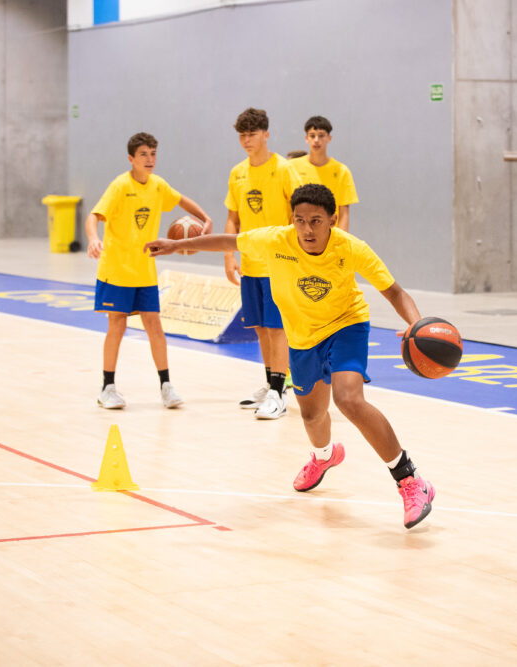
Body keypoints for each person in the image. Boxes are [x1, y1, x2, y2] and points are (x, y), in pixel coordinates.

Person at [145, 183, 436, 529]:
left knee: (348, 399)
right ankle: (324, 457)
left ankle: (410, 480)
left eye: (315, 220)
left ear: (332, 221)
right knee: (312, 417)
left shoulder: (351, 248)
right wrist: (178, 244)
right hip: (301, 336)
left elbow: (394, 291)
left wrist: (416, 325)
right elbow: (229, 241)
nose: (307, 229)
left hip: (346, 325)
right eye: (299, 220)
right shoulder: (275, 239)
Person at [86, 131, 213, 410]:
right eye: (144, 154)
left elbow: (181, 200)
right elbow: (94, 215)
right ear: (131, 158)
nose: (150, 159)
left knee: (154, 325)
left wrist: (205, 217)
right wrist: (94, 238)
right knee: (116, 326)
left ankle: (166, 386)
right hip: (116, 270)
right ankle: (107, 386)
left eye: (153, 154)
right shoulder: (120, 186)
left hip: (144, 271)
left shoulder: (157, 185)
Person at [225, 107, 302, 419]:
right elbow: (233, 218)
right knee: (259, 327)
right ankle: (272, 383)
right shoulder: (237, 173)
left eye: (252, 134)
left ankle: (278, 390)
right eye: (242, 135)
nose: (247, 140)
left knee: (276, 328)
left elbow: (301, 213)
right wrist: (229, 255)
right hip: (250, 265)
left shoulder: (283, 169)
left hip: (279, 264)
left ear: (266, 134)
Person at [289, 116, 358, 231]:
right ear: (306, 138)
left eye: (321, 135)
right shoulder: (292, 167)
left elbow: (344, 212)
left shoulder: (341, 171)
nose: (316, 140)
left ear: (329, 138)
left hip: (329, 236)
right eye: (312, 136)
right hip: (299, 235)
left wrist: (341, 242)